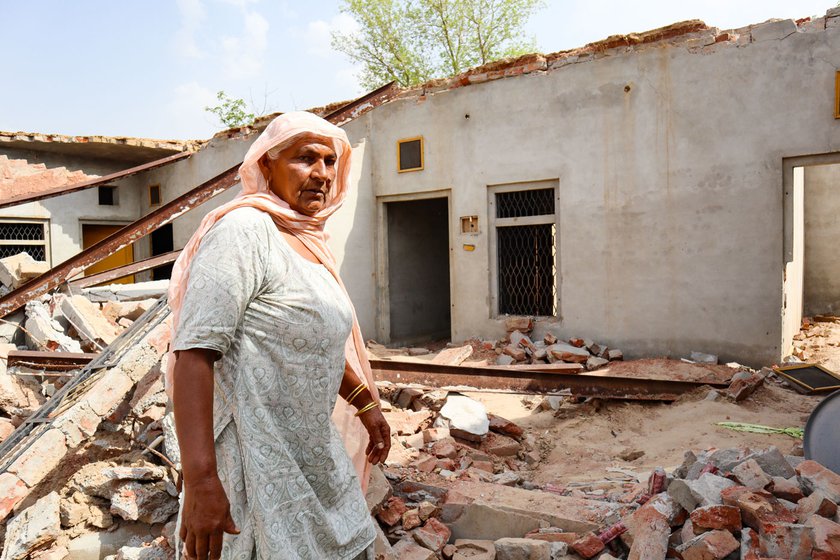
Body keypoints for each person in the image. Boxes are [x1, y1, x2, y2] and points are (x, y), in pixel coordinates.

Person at [166, 111, 391, 560]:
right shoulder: (244, 232)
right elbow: (193, 353)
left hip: (312, 454)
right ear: (266, 165)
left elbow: (313, 340)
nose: (322, 174)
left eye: (330, 161)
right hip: (254, 461)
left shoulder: (307, 241)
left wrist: (366, 403)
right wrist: (202, 482)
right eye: (305, 159)